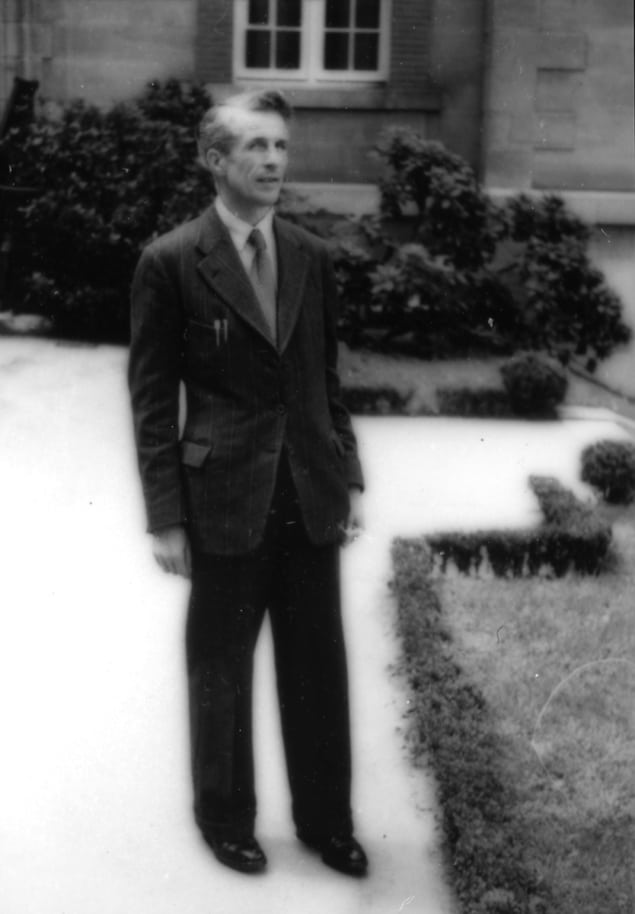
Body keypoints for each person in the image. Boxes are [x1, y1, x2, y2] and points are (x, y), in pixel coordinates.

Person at [128, 88, 369, 877]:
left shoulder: (308, 254)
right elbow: (153, 400)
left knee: (316, 665)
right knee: (220, 668)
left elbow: (322, 379)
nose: (272, 161)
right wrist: (166, 517)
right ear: (214, 159)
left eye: (280, 148)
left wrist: (347, 476)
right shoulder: (170, 261)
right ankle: (225, 818)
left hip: (307, 493)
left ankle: (325, 821)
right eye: (255, 147)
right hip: (222, 499)